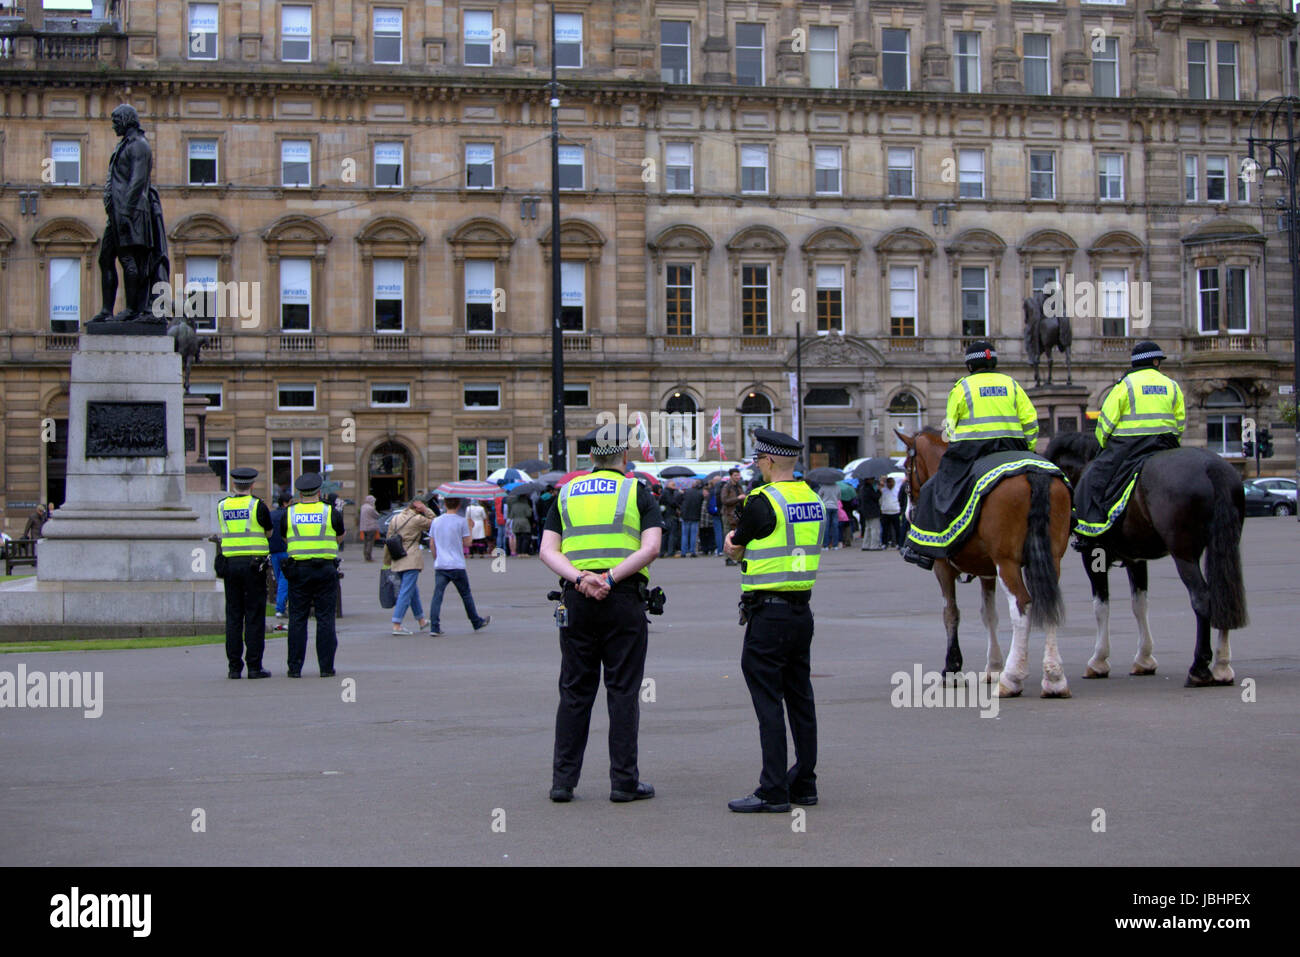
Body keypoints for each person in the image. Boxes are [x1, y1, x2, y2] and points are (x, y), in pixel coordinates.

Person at [540, 426, 662, 804]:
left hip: (576, 599)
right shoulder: (637, 491)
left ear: (590, 457)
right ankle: (623, 782)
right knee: (623, 691)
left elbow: (547, 550)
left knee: (575, 691)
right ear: (623, 456)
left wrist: (581, 578)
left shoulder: (565, 494)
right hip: (623, 599)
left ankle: (563, 782)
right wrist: (609, 577)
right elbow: (652, 547)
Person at [723, 429, 822, 812]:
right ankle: (806, 782)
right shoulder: (811, 497)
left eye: (759, 462)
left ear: (767, 461)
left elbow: (736, 546)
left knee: (767, 699)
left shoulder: (763, 500)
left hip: (768, 613)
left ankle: (773, 789)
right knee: (801, 697)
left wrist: (734, 544)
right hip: (802, 611)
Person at [901, 341, 1039, 570]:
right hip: (1013, 448)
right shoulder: (1012, 385)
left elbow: (951, 429)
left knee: (930, 489)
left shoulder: (961, 388)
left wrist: (954, 443)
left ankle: (922, 549)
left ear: (970, 365)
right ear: (993, 361)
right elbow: (1031, 422)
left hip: (972, 452)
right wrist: (1028, 448)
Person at [1073, 340, 1186, 538]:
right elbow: (1181, 422)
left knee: (1092, 477)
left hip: (1128, 446)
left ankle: (1090, 529)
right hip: (1165, 444)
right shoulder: (1172, 385)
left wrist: (1103, 444)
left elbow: (1105, 423)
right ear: (1156, 362)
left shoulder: (1125, 385)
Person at [280, 472, 345, 677]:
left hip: (298, 570)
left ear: (299, 493)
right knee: (325, 618)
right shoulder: (330, 511)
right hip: (325, 569)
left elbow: (285, 537)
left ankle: (294, 668)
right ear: (319, 491)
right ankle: (326, 668)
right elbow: (339, 536)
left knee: (297, 619)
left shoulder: (289, 513)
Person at [217, 467, 274, 679]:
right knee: (254, 616)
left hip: (230, 565)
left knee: (233, 616)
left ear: (233, 485)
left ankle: (233, 667)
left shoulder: (222, 506)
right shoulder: (257, 506)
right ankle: (254, 666)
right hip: (253, 566)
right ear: (252, 485)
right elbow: (268, 532)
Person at [428, 498, 492, 637]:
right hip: (456, 564)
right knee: (465, 595)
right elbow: (468, 543)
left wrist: (436, 558)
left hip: (441, 564)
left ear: (444, 504)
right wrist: (470, 527)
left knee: (437, 596)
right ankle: (475, 621)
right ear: (458, 505)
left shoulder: (436, 521)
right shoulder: (461, 521)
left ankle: (434, 626)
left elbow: (432, 544)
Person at [386, 497, 433, 635]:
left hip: (397, 558)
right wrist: (427, 510)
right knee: (406, 591)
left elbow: (388, 541)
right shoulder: (417, 519)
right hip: (411, 558)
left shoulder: (395, 519)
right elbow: (435, 523)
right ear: (417, 507)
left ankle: (421, 621)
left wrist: (387, 561)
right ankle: (397, 624)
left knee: (412, 591)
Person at [267, 491, 292, 623]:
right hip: (286, 550)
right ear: (285, 503)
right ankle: (280, 608)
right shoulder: (288, 514)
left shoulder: (271, 514)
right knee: (285, 580)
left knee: (279, 579)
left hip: (273, 551)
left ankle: (282, 605)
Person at [720, 468, 746, 566]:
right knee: (727, 535)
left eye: (738, 475)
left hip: (738, 514)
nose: (737, 477)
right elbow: (724, 500)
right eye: (735, 475)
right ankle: (727, 558)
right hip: (728, 514)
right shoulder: (727, 487)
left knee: (738, 535)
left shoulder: (739, 486)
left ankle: (738, 556)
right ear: (731, 476)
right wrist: (737, 498)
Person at [679, 480, 703, 557]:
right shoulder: (700, 493)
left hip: (685, 515)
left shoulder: (686, 492)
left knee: (684, 535)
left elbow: (679, 501)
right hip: (695, 515)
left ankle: (683, 552)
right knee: (693, 535)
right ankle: (693, 551)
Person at [858, 477, 882, 550]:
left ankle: (866, 545)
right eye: (872, 479)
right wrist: (879, 490)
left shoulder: (862, 488)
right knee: (875, 528)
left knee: (867, 528)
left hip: (865, 511)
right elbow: (876, 497)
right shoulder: (869, 489)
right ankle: (874, 545)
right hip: (873, 511)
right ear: (868, 480)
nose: (873, 480)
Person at [879, 477, 902, 548]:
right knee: (885, 529)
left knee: (897, 529)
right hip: (885, 512)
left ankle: (898, 543)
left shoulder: (897, 490)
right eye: (888, 482)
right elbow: (880, 500)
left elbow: (900, 499)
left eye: (891, 482)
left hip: (895, 511)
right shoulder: (883, 490)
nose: (890, 484)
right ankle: (884, 543)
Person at [359, 494, 381, 561]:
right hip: (371, 527)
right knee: (370, 542)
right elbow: (377, 515)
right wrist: (374, 507)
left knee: (366, 542)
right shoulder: (370, 508)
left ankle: (365, 555)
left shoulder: (363, 507)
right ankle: (369, 557)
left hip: (364, 527)